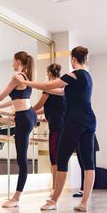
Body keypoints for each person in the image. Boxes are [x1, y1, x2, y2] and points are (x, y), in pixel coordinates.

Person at [21, 47, 97, 212]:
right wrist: (44, 89)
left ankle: (53, 201)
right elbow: (58, 90)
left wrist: (27, 83)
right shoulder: (88, 77)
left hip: (75, 122)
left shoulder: (73, 74)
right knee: (88, 163)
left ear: (73, 59)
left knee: (61, 159)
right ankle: (84, 203)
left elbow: (48, 84)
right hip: (89, 121)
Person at [0, 51, 37, 208]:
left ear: (18, 61)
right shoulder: (26, 78)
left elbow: (1, 95)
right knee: (21, 159)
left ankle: (16, 198)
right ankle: (17, 196)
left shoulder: (16, 77)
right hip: (28, 115)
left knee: (21, 160)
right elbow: (14, 100)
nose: (11, 64)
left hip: (24, 118)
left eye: (13, 61)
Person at [32, 64, 66, 196]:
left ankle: (54, 189)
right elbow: (45, 108)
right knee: (58, 158)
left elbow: (39, 105)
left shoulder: (50, 88)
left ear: (49, 74)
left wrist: (25, 111)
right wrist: (34, 112)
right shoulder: (61, 88)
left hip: (57, 127)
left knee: (54, 158)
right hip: (62, 125)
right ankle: (55, 188)